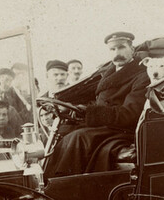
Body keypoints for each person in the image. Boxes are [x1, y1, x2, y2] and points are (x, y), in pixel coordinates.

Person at [43, 31, 150, 177]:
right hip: (105, 126)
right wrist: (79, 109)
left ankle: (67, 186)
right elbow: (100, 102)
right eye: (112, 49)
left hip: (122, 130)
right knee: (63, 132)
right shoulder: (108, 72)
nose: (117, 53)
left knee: (78, 138)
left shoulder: (142, 76)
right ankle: (50, 180)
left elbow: (129, 114)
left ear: (132, 49)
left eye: (121, 47)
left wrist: (89, 112)